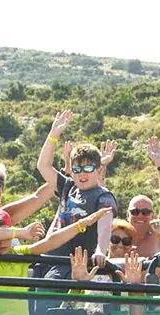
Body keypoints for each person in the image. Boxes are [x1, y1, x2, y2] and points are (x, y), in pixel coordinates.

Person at [35, 111, 117, 278]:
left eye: (87, 169)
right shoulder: (67, 186)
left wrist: (101, 249)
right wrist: (53, 134)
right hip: (47, 260)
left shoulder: (103, 196)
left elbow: (105, 222)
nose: (82, 174)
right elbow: (43, 166)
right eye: (77, 169)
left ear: (98, 169)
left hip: (71, 267)